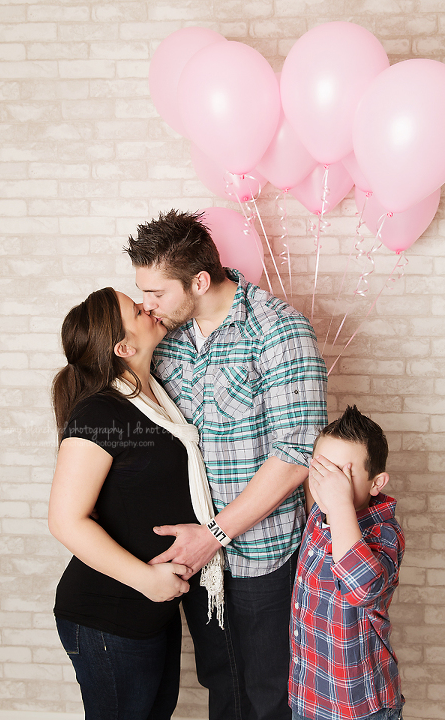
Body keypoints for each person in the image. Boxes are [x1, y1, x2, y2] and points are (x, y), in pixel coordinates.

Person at [125, 209, 328, 720]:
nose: (146, 306)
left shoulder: (278, 329)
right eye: (141, 293)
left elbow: (298, 452)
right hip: (197, 560)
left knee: (268, 694)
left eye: (156, 293)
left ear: (198, 280)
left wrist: (214, 533)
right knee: (221, 686)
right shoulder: (166, 339)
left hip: (261, 552)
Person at [48, 287, 232, 720]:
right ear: (124, 347)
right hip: (109, 612)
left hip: (152, 609)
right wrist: (147, 581)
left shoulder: (155, 400)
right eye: (137, 309)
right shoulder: (101, 413)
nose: (148, 306)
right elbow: (65, 520)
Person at [289, 405, 405, 720]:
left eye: (342, 474)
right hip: (310, 696)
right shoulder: (319, 515)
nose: (329, 482)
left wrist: (339, 502)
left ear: (376, 483)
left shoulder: (383, 534)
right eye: (323, 470)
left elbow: (363, 589)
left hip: (359, 706)